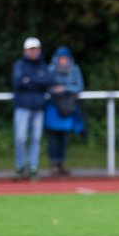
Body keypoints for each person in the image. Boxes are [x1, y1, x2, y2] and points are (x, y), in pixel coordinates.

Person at [11, 36, 51, 181]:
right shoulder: (20, 65)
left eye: (36, 49)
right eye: (31, 49)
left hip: (38, 107)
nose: (34, 52)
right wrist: (36, 82)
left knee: (36, 139)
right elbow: (18, 83)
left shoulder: (42, 66)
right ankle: (20, 166)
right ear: (25, 50)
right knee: (20, 138)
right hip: (22, 106)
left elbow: (46, 82)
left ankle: (33, 167)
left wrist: (30, 80)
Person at [44, 46, 86, 177]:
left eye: (65, 58)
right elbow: (46, 86)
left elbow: (79, 86)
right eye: (60, 58)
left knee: (64, 137)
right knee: (53, 137)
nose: (63, 60)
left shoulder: (74, 69)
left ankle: (61, 164)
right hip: (54, 107)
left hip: (67, 107)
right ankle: (53, 164)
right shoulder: (51, 69)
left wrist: (64, 88)